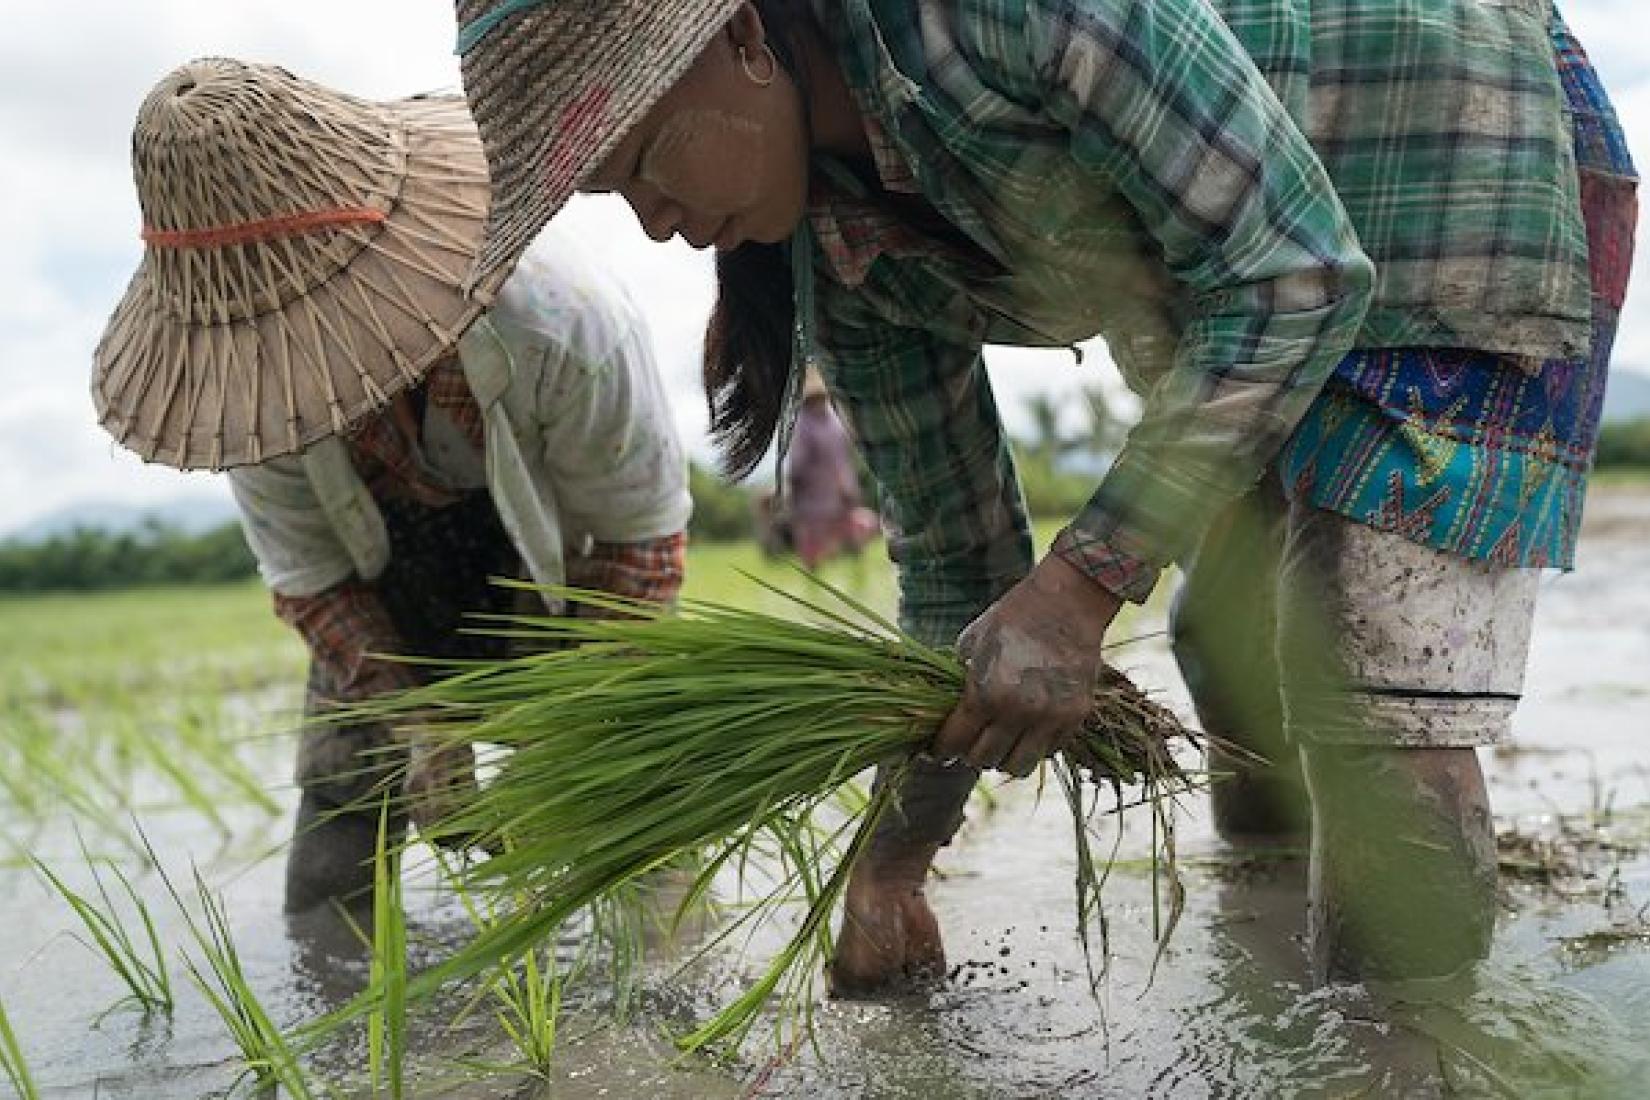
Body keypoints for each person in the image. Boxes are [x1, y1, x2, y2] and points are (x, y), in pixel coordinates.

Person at [447, 0, 1633, 990]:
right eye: (618, 198)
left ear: (746, 40)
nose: (658, 226)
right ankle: (1273, 957)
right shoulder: (850, 262)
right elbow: (960, 575)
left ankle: (1391, 1043)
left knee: (1369, 690)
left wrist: (1080, 585)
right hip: (1247, 252)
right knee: (1229, 642)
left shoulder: (991, 15)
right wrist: (893, 864)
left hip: (1447, 135)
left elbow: (1294, 276)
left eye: (650, 162)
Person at [91, 58, 693, 914]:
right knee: (339, 825)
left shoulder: (562, 320)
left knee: (635, 802)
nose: (312, 371)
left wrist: (568, 720)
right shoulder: (241, 395)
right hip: (385, 579)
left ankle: (659, 996)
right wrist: (419, 726)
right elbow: (314, 585)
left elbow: (642, 545)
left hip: (575, 568)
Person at [783, 368, 877, 569]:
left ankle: (834, 566)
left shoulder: (810, 422)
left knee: (823, 535)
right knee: (822, 537)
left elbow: (798, 463)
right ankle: (830, 568)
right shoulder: (831, 419)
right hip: (826, 491)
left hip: (824, 492)